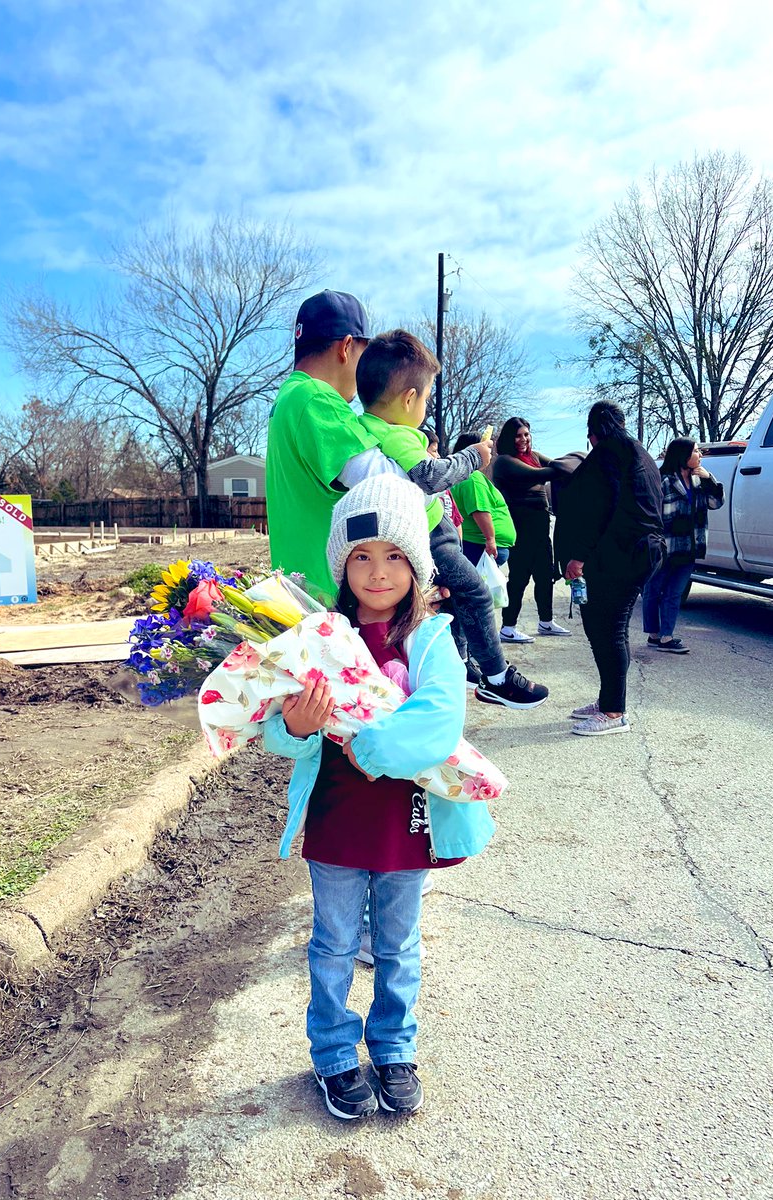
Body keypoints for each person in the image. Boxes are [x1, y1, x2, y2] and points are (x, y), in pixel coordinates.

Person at [262, 474, 496, 1120]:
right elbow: (275, 730)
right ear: (342, 564)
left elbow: (439, 718)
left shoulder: (431, 639)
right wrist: (297, 726)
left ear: (416, 564)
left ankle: (394, 1047)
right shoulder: (316, 635)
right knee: (334, 943)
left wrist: (369, 751)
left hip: (405, 823)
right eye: (361, 556)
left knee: (397, 944)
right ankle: (334, 1053)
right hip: (337, 820)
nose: (378, 571)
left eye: (394, 556)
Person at [355, 330, 548, 710]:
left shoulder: (367, 428)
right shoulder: (399, 434)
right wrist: (475, 456)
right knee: (475, 593)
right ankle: (496, 677)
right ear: (409, 398)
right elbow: (429, 476)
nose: (425, 406)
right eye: (426, 398)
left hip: (430, 533)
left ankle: (460, 666)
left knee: (455, 604)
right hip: (430, 536)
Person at [265, 290, 409, 599]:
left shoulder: (289, 397)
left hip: (302, 588)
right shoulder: (317, 398)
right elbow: (391, 487)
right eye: (364, 355)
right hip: (333, 598)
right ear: (346, 346)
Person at [555, 401, 665, 736]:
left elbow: (600, 508)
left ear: (592, 432)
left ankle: (614, 712)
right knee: (604, 627)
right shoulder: (639, 453)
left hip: (621, 555)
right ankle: (608, 700)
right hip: (634, 552)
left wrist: (578, 555)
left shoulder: (609, 453)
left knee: (609, 630)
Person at [492, 417, 571, 641]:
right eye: (518, 436)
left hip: (540, 524)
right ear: (509, 438)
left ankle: (546, 622)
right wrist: (571, 466)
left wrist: (574, 463)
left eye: (526, 434)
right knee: (519, 577)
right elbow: (541, 474)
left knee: (545, 575)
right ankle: (508, 627)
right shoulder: (504, 461)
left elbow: (556, 464)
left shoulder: (534, 456)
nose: (523, 439)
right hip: (520, 526)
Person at [642, 438, 724, 654]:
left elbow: (716, 503)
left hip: (689, 547)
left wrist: (709, 480)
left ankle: (666, 637)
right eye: (696, 451)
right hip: (664, 547)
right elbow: (650, 514)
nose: (700, 455)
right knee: (653, 590)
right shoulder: (663, 480)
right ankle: (653, 634)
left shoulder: (700, 480)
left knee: (674, 593)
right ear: (683, 455)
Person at [449, 431, 516, 569]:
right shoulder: (473, 477)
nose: (490, 453)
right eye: (487, 448)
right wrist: (490, 539)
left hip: (476, 544)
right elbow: (479, 509)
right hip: (480, 546)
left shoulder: (460, 476)